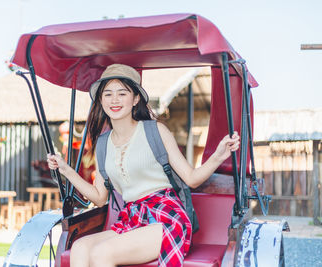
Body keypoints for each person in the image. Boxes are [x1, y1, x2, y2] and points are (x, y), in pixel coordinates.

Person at [47, 64, 240, 267]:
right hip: (133, 219)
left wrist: (218, 155)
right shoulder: (103, 144)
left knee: (102, 254)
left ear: (135, 99)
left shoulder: (154, 131)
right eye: (108, 94)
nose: (114, 100)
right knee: (80, 248)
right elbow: (99, 197)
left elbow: (191, 179)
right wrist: (65, 169)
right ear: (101, 100)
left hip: (165, 217)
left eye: (122, 93)